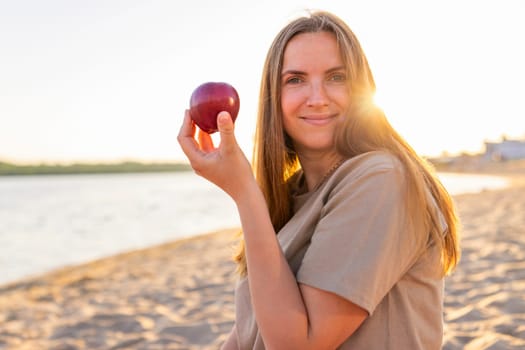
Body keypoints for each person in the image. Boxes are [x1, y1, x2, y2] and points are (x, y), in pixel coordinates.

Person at [178, 10, 460, 350]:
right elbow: (249, 333)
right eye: (295, 80)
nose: (317, 97)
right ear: (274, 98)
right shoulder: (292, 196)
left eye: (336, 77)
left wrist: (244, 192)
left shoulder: (382, 180)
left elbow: (296, 344)